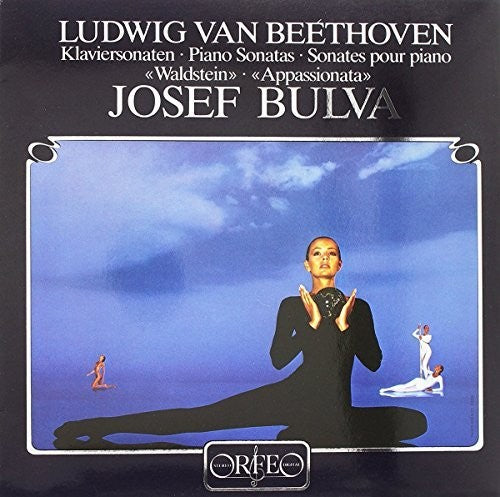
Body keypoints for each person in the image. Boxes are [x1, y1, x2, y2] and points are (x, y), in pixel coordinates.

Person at [54, 236, 426, 449]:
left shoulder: (358, 308)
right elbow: (278, 359)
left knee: (416, 423)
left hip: (333, 407)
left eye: (331, 254)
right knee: (198, 419)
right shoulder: (292, 305)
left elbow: (373, 362)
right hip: (290, 394)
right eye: (317, 254)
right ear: (307, 265)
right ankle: (94, 425)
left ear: (340, 265)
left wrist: (346, 327)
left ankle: (302, 433)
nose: (324, 259)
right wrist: (311, 324)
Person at [380, 364, 444, 394]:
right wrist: (423, 363)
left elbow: (441, 388)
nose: (436, 366)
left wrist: (432, 390)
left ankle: (389, 391)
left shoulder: (439, 378)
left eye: (438, 366)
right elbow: (424, 369)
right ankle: (386, 389)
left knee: (404, 390)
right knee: (405, 386)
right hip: (419, 381)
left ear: (440, 370)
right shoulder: (431, 372)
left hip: (421, 387)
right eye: (436, 366)